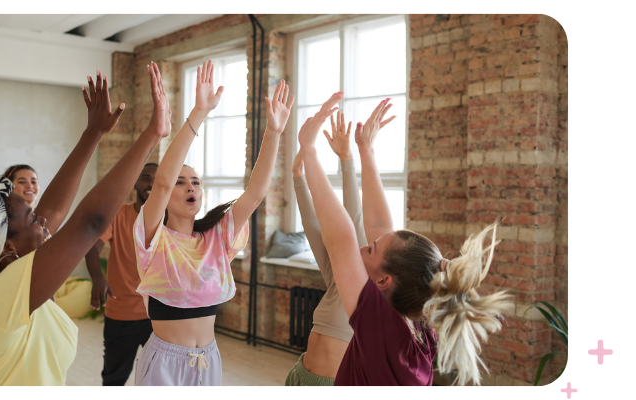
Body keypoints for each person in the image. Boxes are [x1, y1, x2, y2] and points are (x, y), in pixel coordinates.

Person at [0, 64, 171, 385]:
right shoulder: (2, 296)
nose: (44, 222)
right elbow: (89, 223)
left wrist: (93, 133)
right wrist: (152, 134)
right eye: (34, 220)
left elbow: (53, 210)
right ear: (7, 246)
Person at [296, 94, 512, 386]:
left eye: (370, 249)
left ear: (384, 281)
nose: (364, 245)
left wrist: (309, 150)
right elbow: (380, 226)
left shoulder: (382, 328)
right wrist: (366, 150)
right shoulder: (419, 326)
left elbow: (341, 240)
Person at [132, 60, 294, 386]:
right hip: (165, 361)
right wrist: (199, 113)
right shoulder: (153, 237)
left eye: (196, 181)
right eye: (182, 182)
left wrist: (274, 132)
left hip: (208, 360)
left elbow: (257, 193)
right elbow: (161, 182)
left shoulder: (217, 238)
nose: (191, 186)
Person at [285, 111, 364, 386]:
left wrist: (348, 161)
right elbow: (312, 228)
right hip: (298, 376)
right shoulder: (337, 281)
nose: (366, 244)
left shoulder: (368, 293)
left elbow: (352, 222)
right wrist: (298, 177)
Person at [84, 162, 158, 386]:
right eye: (146, 178)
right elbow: (91, 248)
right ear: (136, 182)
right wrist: (98, 279)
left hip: (158, 317)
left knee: (160, 379)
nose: (151, 184)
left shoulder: (171, 219)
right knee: (114, 379)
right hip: (121, 314)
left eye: (157, 179)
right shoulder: (119, 214)